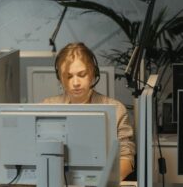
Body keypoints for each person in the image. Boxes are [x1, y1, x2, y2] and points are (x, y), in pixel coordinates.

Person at [42, 42, 136, 181]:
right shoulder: (47, 108)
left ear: (93, 73)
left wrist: (105, 181)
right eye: (68, 76)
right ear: (60, 79)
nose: (75, 83)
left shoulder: (116, 109)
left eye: (82, 74)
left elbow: (126, 159)